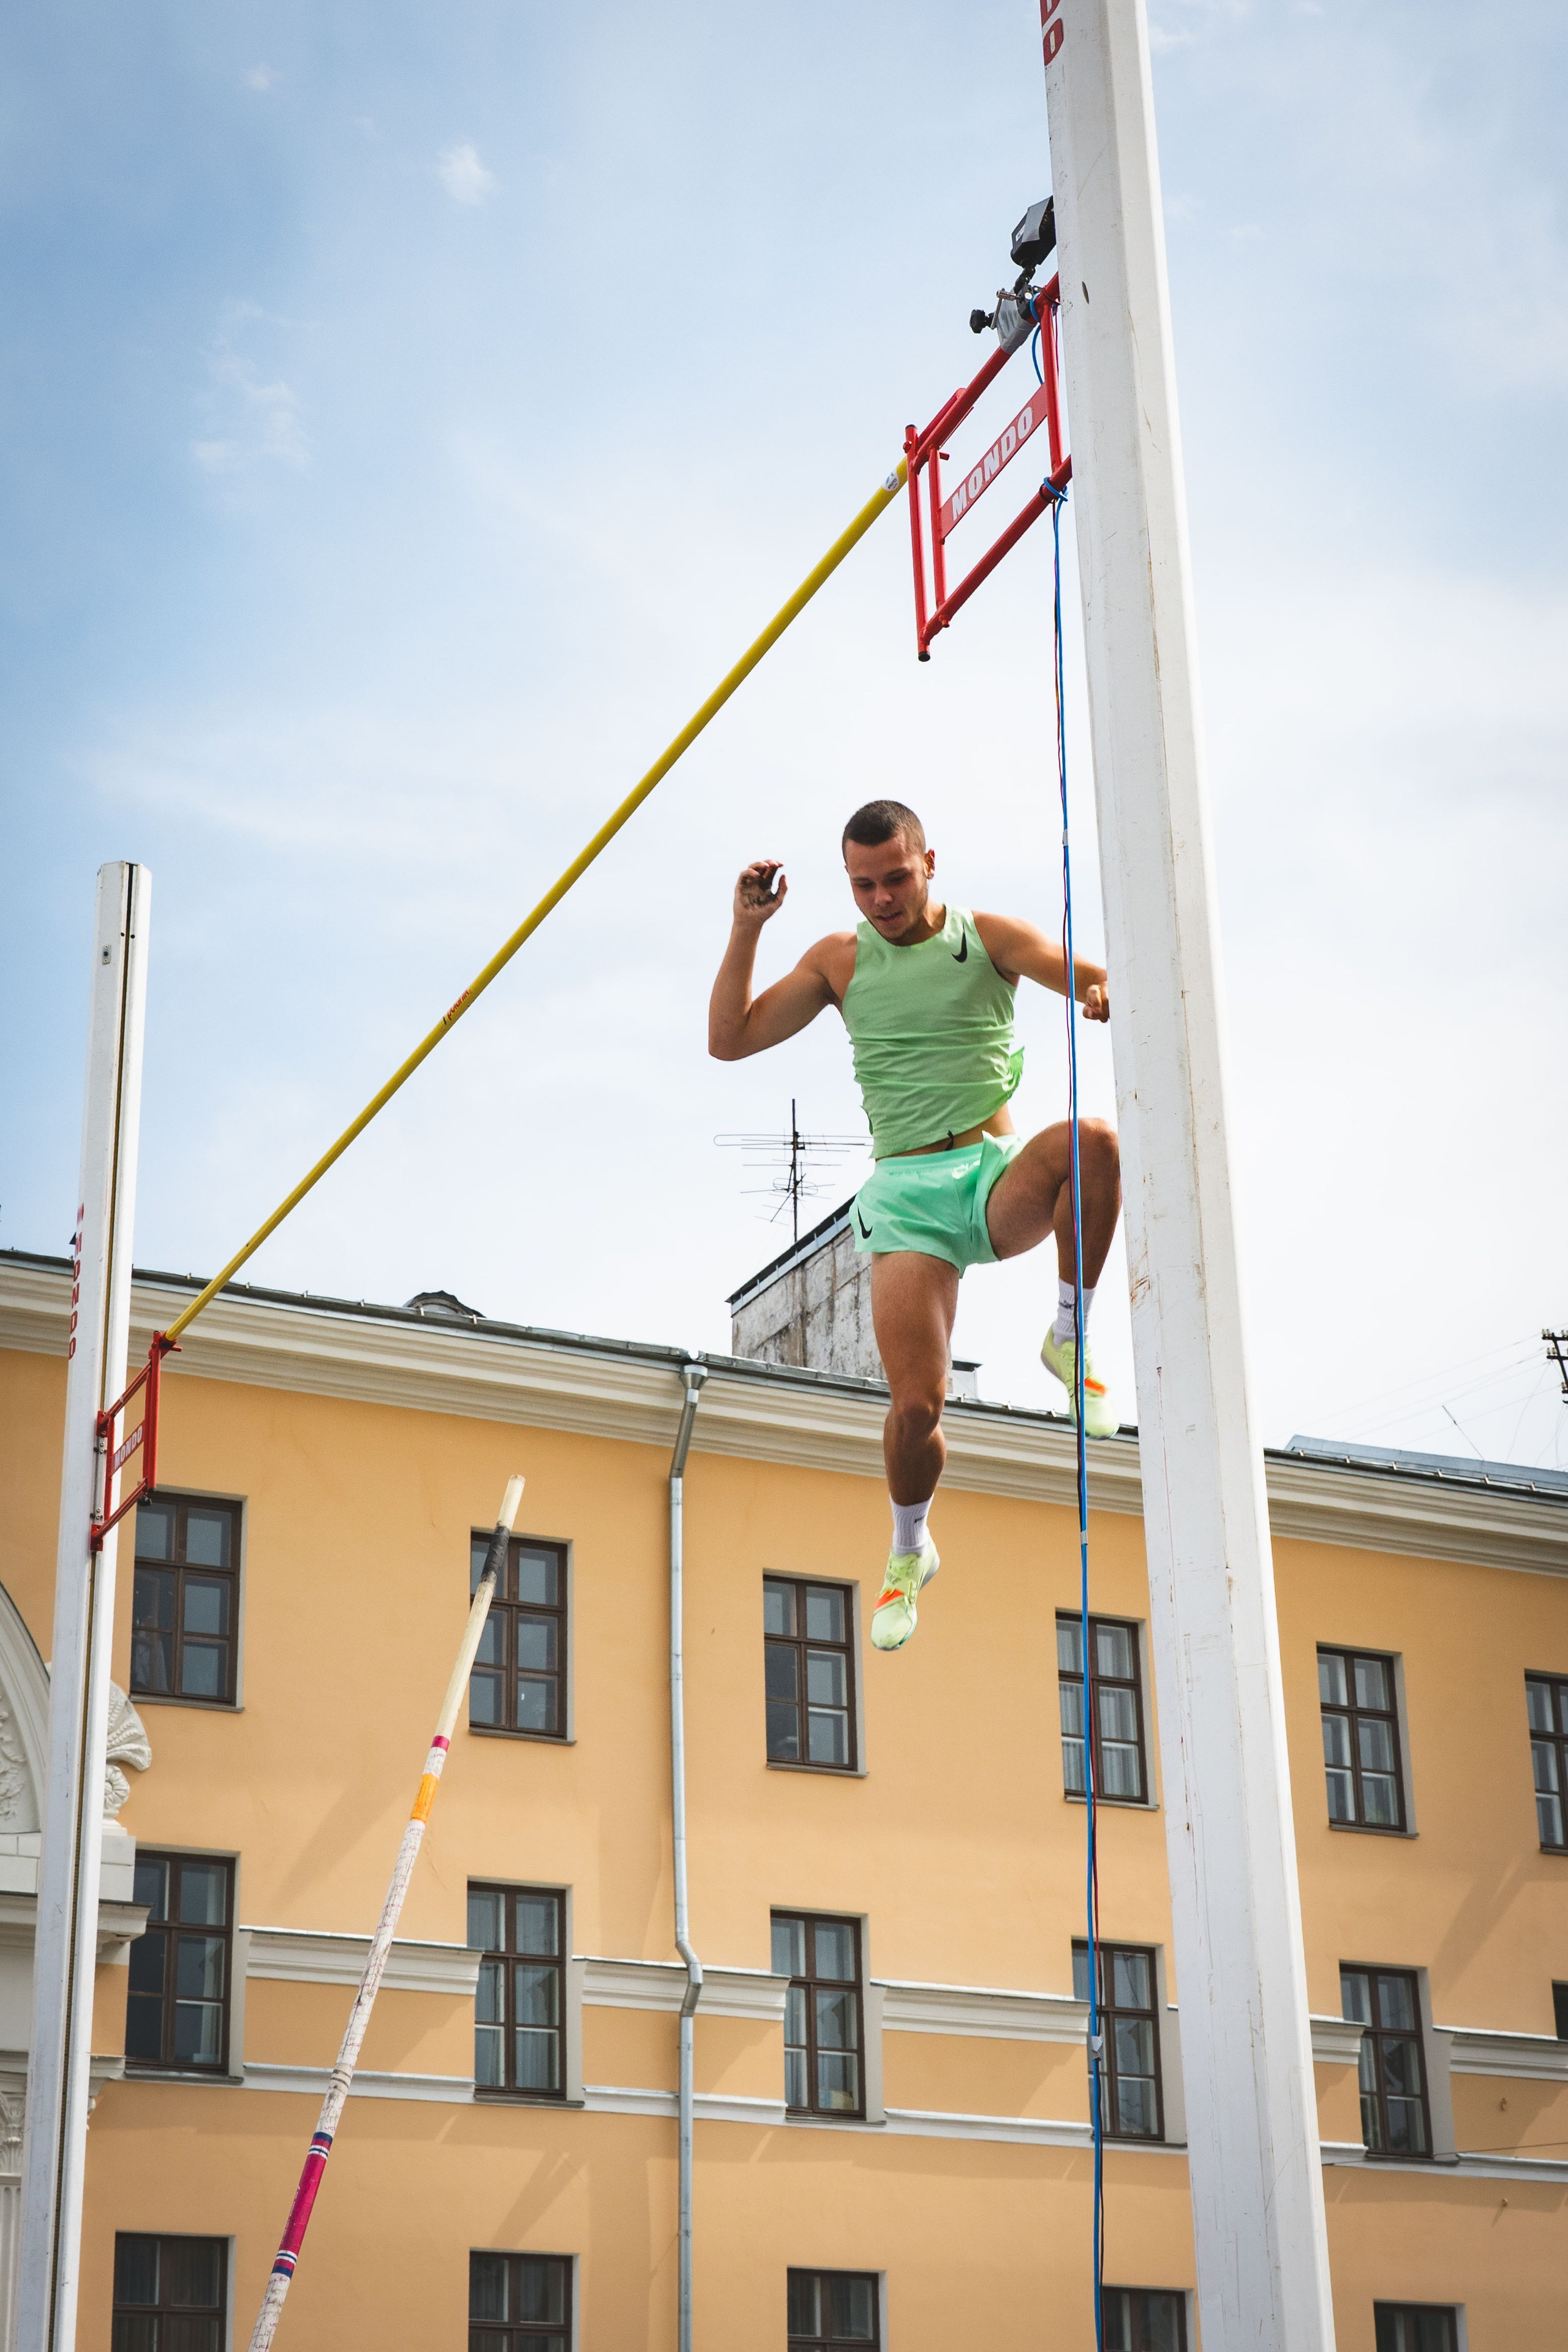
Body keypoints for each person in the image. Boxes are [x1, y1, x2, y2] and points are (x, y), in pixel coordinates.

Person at [708, 798, 1122, 1653]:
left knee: (1094, 1144)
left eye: (896, 877)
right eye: (864, 885)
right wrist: (747, 929)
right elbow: (731, 1040)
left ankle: (1069, 1338)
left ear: (931, 862)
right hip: (905, 1196)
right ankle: (910, 1549)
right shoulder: (838, 960)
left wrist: (1101, 992)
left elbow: (1083, 972)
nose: (882, 899)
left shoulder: (986, 937)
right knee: (916, 1409)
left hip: (992, 1174)